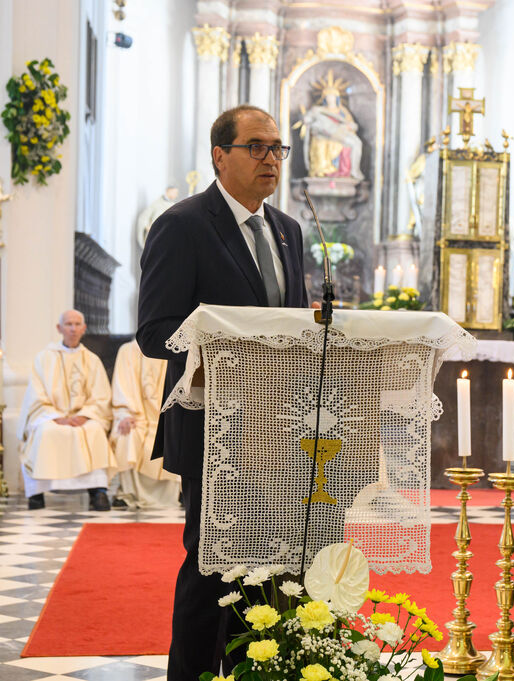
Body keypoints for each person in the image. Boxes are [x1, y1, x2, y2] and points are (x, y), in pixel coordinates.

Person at [136, 105, 308, 681]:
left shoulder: (288, 231)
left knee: (270, 572)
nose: (271, 159)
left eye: (277, 148)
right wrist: (230, 363)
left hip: (278, 433)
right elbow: (155, 332)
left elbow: (291, 327)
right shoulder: (183, 225)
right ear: (220, 155)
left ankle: (253, 673)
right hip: (215, 428)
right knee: (211, 571)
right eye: (256, 146)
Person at [17, 309, 114, 511]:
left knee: (94, 430)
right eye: (68, 324)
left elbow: (101, 396)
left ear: (84, 328)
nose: (73, 329)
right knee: (45, 432)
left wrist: (85, 415)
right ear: (59, 328)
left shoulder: (92, 360)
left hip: (83, 418)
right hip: (51, 417)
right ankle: (37, 494)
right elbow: (36, 395)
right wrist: (56, 417)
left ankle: (98, 491)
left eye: (77, 324)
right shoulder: (44, 358)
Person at [109, 339, 180, 508]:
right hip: (137, 418)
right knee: (128, 433)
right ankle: (129, 493)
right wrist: (124, 414)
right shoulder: (127, 350)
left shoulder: (174, 350)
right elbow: (121, 385)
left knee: (179, 434)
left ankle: (178, 492)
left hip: (166, 417)